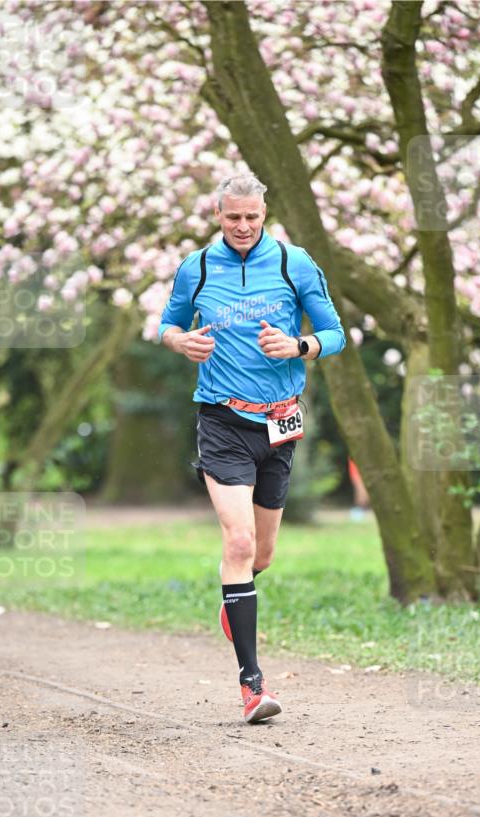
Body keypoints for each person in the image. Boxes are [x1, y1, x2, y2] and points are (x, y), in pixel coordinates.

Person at [158, 172, 346, 723]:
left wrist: (300, 345)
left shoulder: (295, 263)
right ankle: (252, 687)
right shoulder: (196, 267)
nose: (243, 227)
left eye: (252, 218)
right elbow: (168, 325)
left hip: (279, 425)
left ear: (265, 215)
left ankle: (235, 597)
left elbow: (335, 332)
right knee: (237, 543)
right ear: (218, 215)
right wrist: (181, 341)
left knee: (260, 557)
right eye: (233, 217)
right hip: (222, 420)